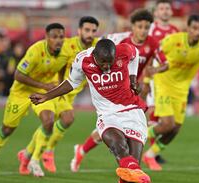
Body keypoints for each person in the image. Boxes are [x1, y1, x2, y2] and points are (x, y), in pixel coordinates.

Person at [30, 39, 151, 183]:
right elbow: (71, 83)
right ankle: (132, 167)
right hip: (107, 114)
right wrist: (47, 96)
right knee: (117, 145)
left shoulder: (124, 50)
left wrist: (133, 78)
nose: (107, 67)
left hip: (132, 111)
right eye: (103, 63)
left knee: (130, 175)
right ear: (95, 57)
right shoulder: (83, 60)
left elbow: (136, 55)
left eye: (110, 63)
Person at [70, 9, 167, 173]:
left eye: (146, 27)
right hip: (112, 87)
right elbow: (99, 50)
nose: (143, 30)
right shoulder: (118, 39)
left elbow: (165, 63)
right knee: (113, 127)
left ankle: (133, 158)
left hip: (134, 88)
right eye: (140, 26)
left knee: (135, 123)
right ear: (132, 27)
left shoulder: (153, 43)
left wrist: (152, 72)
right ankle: (85, 150)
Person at [0, 23, 68, 177]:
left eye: (61, 37)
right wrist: (44, 85)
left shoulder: (64, 53)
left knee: (48, 122)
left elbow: (62, 67)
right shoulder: (35, 51)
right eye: (55, 37)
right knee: (7, 129)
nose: (59, 40)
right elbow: (18, 75)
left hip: (42, 91)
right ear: (47, 38)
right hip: (21, 92)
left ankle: (34, 159)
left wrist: (59, 86)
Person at [142, 15, 199, 171]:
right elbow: (154, 51)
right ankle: (137, 134)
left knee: (175, 129)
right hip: (164, 83)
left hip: (182, 90)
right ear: (187, 28)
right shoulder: (173, 40)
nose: (197, 32)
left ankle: (150, 154)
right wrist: (149, 77)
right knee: (167, 124)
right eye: (194, 28)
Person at [36, 16, 100, 173]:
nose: (90, 34)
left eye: (93, 30)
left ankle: (30, 154)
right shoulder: (67, 45)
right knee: (61, 120)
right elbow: (57, 64)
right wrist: (57, 83)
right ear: (79, 30)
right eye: (86, 30)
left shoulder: (97, 46)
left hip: (72, 93)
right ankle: (45, 153)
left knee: (55, 123)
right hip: (59, 91)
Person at [145, 0, 179, 165]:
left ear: (171, 12)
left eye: (167, 8)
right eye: (162, 8)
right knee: (155, 113)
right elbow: (148, 54)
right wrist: (147, 78)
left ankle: (151, 151)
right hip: (156, 78)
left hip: (172, 79)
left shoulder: (175, 32)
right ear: (156, 13)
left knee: (165, 119)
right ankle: (152, 154)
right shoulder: (150, 30)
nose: (165, 11)